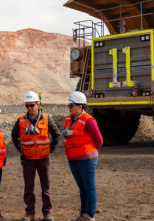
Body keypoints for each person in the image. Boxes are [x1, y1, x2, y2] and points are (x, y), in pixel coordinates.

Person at [11, 91, 61, 221]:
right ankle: (30, 213)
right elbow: (14, 135)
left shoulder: (46, 118)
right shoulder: (21, 120)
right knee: (28, 188)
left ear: (38, 104)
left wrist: (50, 149)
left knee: (46, 187)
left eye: (31, 105)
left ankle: (47, 213)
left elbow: (56, 134)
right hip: (28, 159)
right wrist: (21, 151)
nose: (29, 108)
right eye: (26, 106)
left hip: (43, 158)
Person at [63, 91, 103, 221]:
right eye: (69, 105)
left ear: (80, 106)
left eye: (72, 105)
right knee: (82, 187)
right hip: (73, 158)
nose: (69, 108)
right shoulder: (69, 119)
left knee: (89, 186)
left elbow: (99, 140)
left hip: (87, 158)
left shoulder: (88, 120)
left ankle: (90, 216)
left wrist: (89, 150)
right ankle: (83, 213)